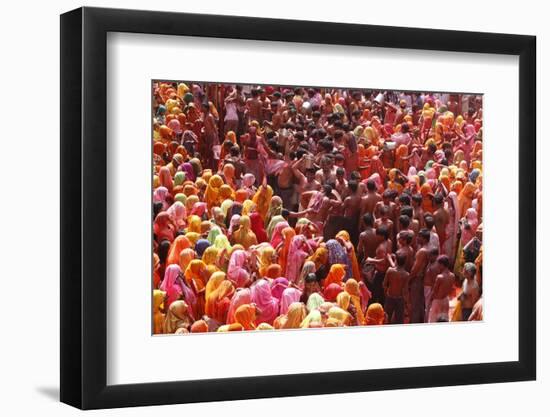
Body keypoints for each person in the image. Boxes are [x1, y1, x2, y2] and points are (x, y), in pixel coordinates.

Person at [151, 82, 483, 333]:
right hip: (391, 276)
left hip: (380, 268)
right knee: (402, 309)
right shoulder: (382, 236)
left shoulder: (272, 284)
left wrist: (305, 214)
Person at [383, 252, 409, 324]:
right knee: (399, 320)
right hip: (399, 298)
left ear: (396, 261)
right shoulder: (406, 275)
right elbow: (405, 290)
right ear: (404, 262)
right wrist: (407, 303)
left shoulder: (390, 271)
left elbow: (384, 284)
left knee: (386, 318)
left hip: (389, 296)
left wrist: (386, 294)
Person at [428, 255, 455, 322]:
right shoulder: (452, 276)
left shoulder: (440, 277)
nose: (437, 266)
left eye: (439, 265)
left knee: (433, 320)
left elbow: (434, 291)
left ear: (442, 265)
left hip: (437, 301)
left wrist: (429, 301)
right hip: (446, 300)